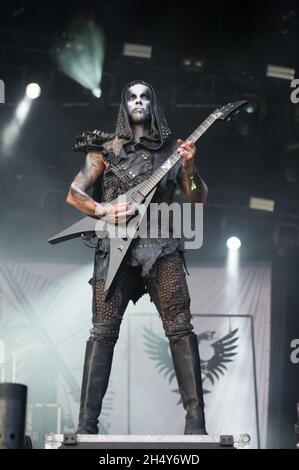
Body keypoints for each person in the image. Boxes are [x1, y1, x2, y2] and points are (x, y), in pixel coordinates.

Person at [66, 80, 208, 435]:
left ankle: (196, 423)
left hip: (161, 248)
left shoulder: (171, 152)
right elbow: (74, 193)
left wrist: (190, 170)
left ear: (154, 103)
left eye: (145, 96)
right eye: (132, 96)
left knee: (180, 328)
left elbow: (198, 199)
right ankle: (86, 425)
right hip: (114, 250)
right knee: (102, 332)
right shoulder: (104, 151)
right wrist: (102, 210)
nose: (139, 101)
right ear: (124, 105)